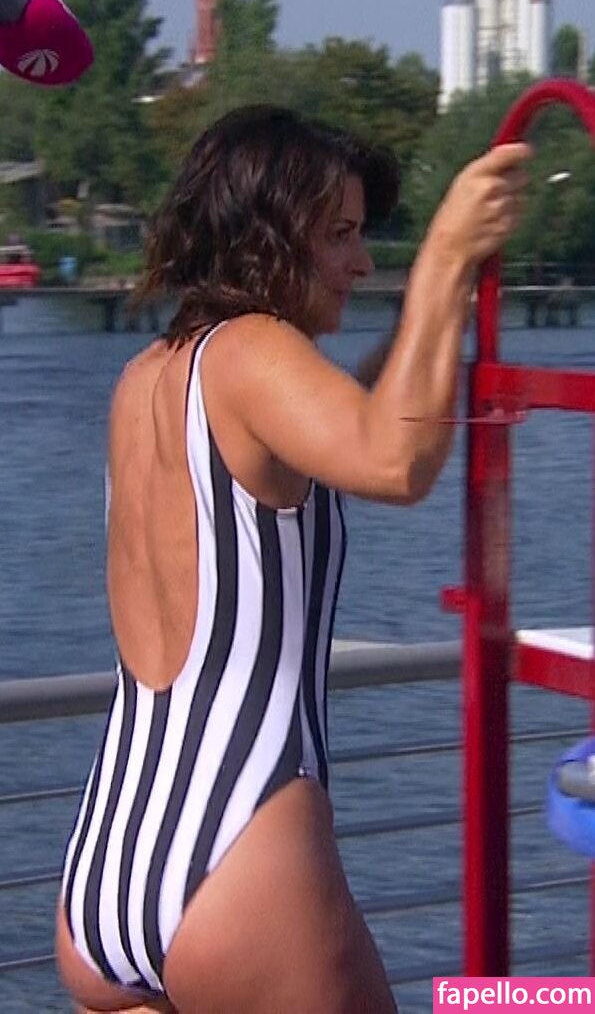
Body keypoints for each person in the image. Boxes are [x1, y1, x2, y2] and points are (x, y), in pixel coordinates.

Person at [55, 105, 530, 1014]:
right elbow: (394, 459)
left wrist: (440, 307)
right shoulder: (250, 353)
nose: (361, 263)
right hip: (241, 852)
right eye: (339, 234)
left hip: (112, 866)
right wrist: (442, 256)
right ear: (267, 235)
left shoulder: (150, 373)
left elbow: (349, 419)